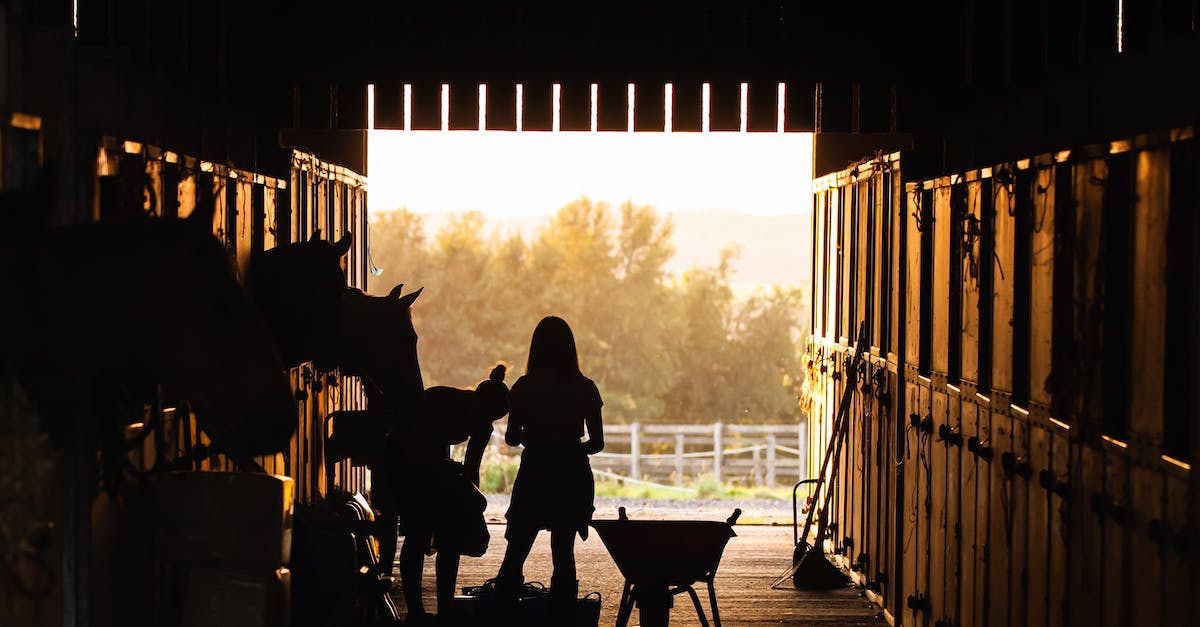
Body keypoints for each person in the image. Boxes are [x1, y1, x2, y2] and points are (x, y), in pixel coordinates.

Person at [493, 316, 605, 619]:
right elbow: (597, 443)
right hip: (571, 472)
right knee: (564, 553)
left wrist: (538, 438)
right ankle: (563, 616)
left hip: (536, 470)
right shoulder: (585, 388)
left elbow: (513, 437)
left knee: (515, 552)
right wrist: (568, 446)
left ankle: (502, 613)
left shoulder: (524, 387)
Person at [388, 364, 510, 625]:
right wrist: (446, 470)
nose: (487, 423)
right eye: (487, 416)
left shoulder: (482, 423)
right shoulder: (442, 401)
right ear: (477, 401)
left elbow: (471, 469)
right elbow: (414, 451)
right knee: (417, 534)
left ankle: (445, 609)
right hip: (407, 458)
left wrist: (471, 502)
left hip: (436, 464)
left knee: (450, 536)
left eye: (493, 420)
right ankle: (415, 612)